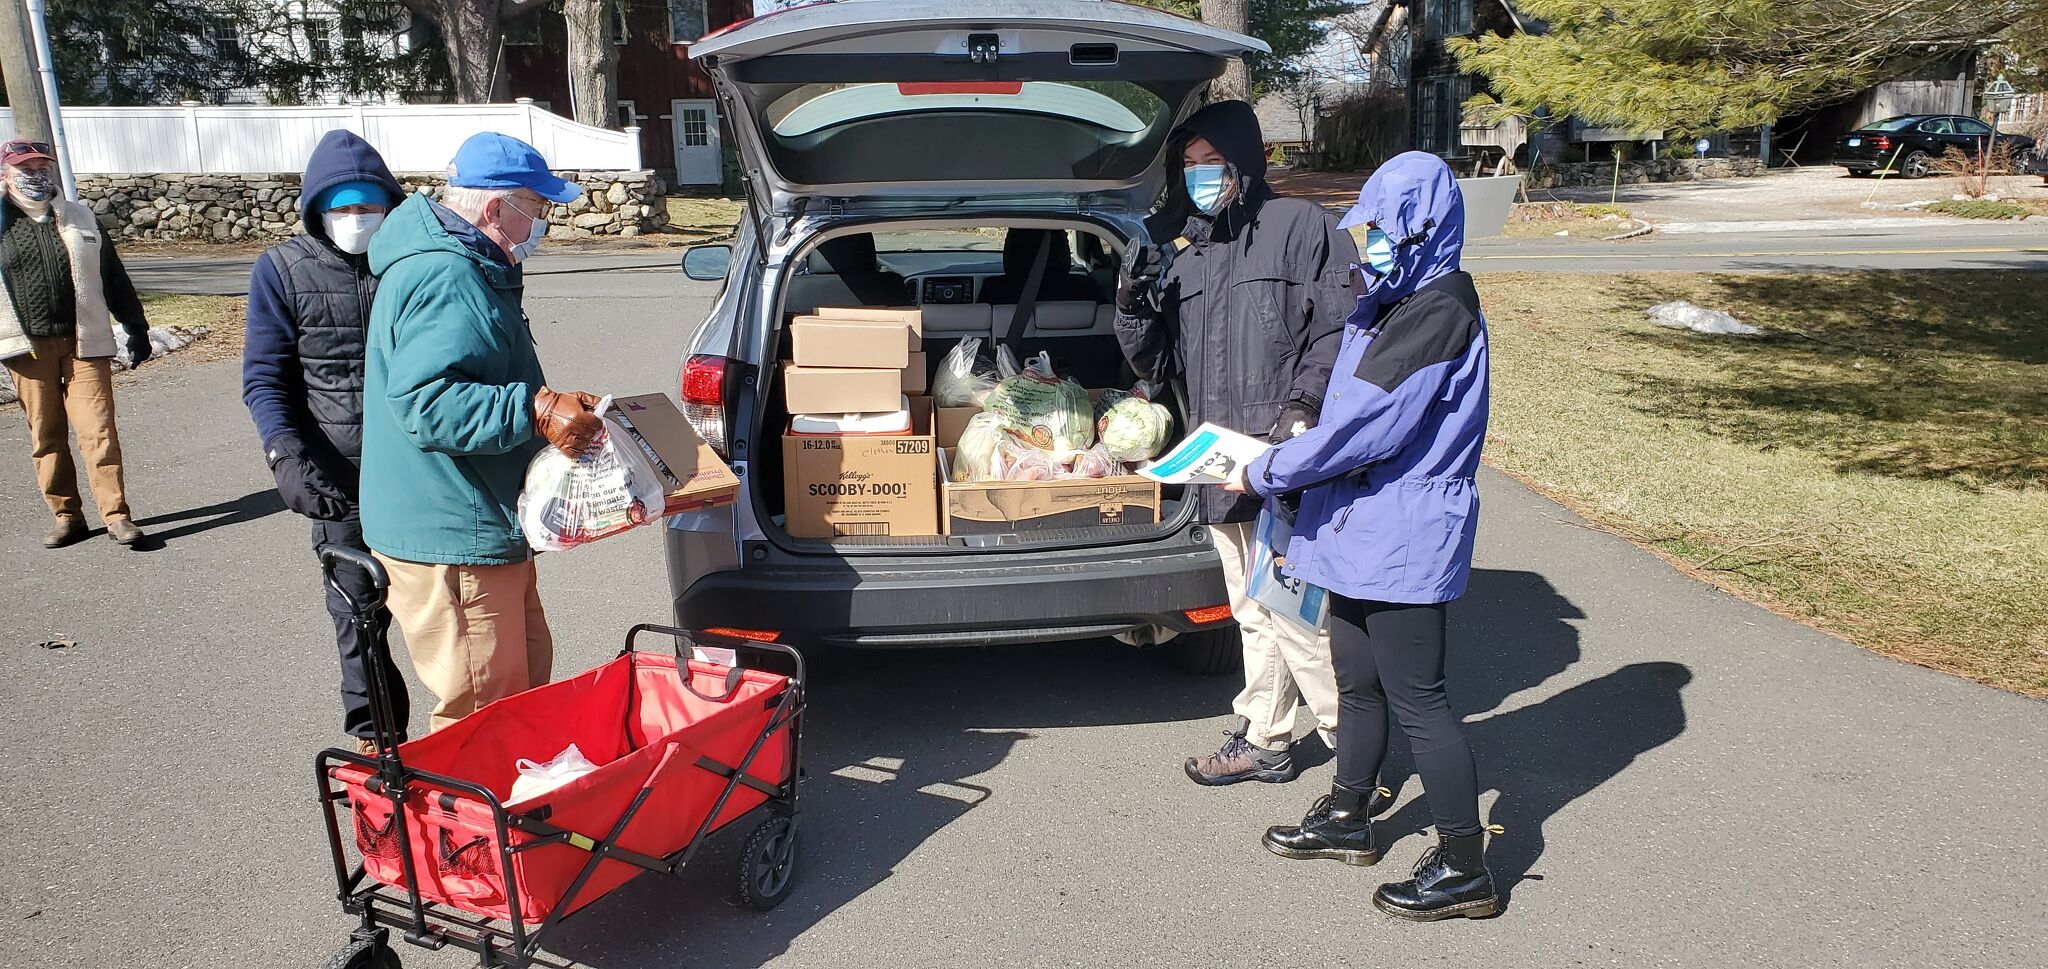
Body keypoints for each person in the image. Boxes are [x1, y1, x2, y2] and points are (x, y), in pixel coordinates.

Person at [1235, 152, 1498, 921]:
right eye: (1367, 226)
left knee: (1423, 700)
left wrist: (1264, 470)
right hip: (1356, 522)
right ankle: (1349, 817)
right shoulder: (1389, 296)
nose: (1369, 241)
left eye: (1384, 228)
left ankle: (1464, 864)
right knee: (1356, 680)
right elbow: (1346, 406)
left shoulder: (1439, 308)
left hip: (1402, 529)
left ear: (1422, 227)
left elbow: (1367, 430)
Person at [1113, 100, 1355, 786]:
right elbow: (1156, 365)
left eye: (1211, 162)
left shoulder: (1303, 227)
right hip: (1219, 463)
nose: (1200, 176)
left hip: (1284, 462)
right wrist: (1131, 303)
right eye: (1187, 166)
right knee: (1253, 612)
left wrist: (1302, 410)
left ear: (1243, 160)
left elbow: (1339, 328)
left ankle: (1357, 758)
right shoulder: (1185, 249)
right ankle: (1268, 737)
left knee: (1303, 621)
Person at [359, 132, 601, 732]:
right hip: (451, 528)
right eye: (537, 210)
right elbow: (426, 402)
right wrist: (535, 410)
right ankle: (471, 824)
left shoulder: (471, 266)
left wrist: (543, 406)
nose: (541, 225)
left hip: (480, 517)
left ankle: (513, 815)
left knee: (519, 689)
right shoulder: (446, 275)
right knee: (481, 713)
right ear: (495, 209)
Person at [242, 130, 410, 754]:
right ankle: (379, 747)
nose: (357, 218)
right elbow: (265, 377)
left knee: (439, 615)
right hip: (341, 482)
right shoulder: (283, 270)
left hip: (421, 472)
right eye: (342, 206)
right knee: (358, 617)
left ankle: (464, 742)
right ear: (316, 208)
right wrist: (284, 452)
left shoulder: (410, 260)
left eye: (369, 205)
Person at [0, 139, 152, 549]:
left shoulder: (80, 217)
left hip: (85, 340)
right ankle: (67, 515)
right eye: (25, 168)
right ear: (5, 174)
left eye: (42, 166)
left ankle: (117, 516)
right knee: (46, 435)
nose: (36, 174)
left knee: (97, 430)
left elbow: (113, 276)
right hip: (26, 348)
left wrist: (136, 326)